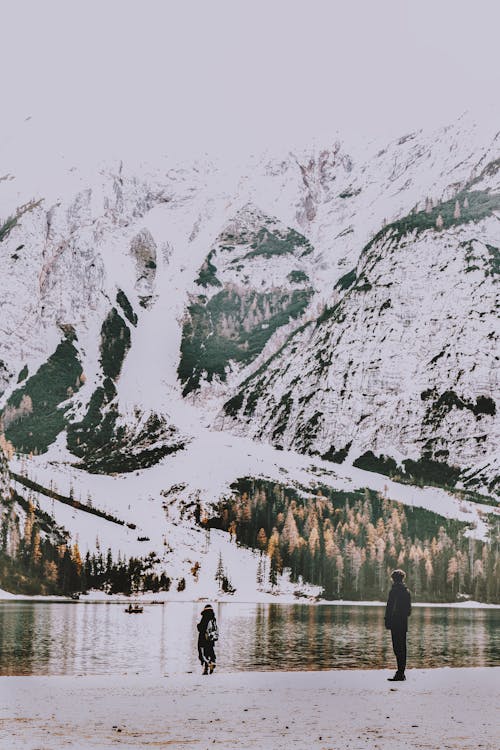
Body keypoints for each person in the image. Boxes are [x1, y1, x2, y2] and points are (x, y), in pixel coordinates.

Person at [384, 569, 411, 681]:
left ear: (394, 579)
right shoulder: (406, 591)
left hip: (395, 623)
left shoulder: (394, 591)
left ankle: (400, 674)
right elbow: (409, 611)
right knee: (402, 648)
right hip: (403, 623)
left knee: (397, 648)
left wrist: (387, 621)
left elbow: (389, 608)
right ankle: (401, 672)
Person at [197, 603, 218, 675]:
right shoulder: (213, 618)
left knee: (203, 654)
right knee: (210, 652)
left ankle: (208, 666)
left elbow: (201, 628)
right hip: (210, 639)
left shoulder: (205, 617)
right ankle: (212, 663)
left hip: (203, 639)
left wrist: (198, 625)